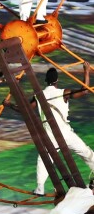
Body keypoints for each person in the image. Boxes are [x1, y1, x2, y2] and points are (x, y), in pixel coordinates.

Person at [34, 63, 94, 196]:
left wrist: (8, 104)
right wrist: (86, 71)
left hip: (51, 135)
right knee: (85, 152)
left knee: (44, 158)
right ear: (57, 80)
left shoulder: (39, 96)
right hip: (65, 133)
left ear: (46, 81)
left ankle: (40, 187)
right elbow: (84, 90)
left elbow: (23, 108)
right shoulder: (63, 93)